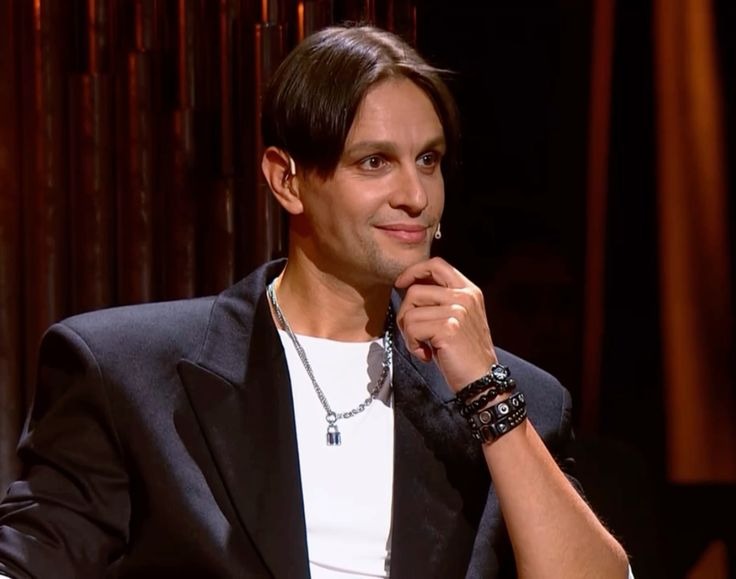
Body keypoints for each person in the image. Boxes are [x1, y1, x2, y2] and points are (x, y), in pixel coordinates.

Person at [0, 25, 631, 578]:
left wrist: (489, 396)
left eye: (428, 159)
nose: (416, 196)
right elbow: (34, 560)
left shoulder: (516, 399)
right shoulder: (127, 375)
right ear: (287, 179)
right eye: (375, 162)